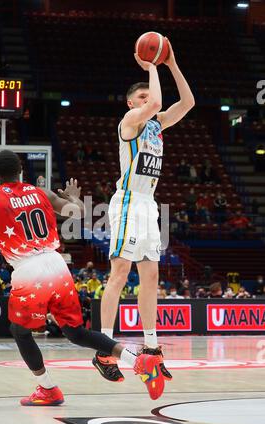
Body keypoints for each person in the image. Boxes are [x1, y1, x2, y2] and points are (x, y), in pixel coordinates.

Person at [0, 150, 165, 403]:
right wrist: (74, 198)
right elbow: (78, 212)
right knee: (76, 332)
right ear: (21, 172)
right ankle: (139, 361)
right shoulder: (42, 193)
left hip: (28, 269)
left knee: (20, 331)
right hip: (56, 264)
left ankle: (48, 388)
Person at [93, 40, 195, 383]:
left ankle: (151, 348)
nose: (146, 102)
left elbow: (188, 102)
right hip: (127, 201)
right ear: (130, 103)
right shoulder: (130, 122)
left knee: (151, 276)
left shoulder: (157, 126)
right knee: (120, 272)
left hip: (149, 204)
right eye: (141, 99)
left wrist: (172, 63)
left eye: (145, 98)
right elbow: (157, 102)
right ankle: (104, 348)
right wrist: (152, 65)